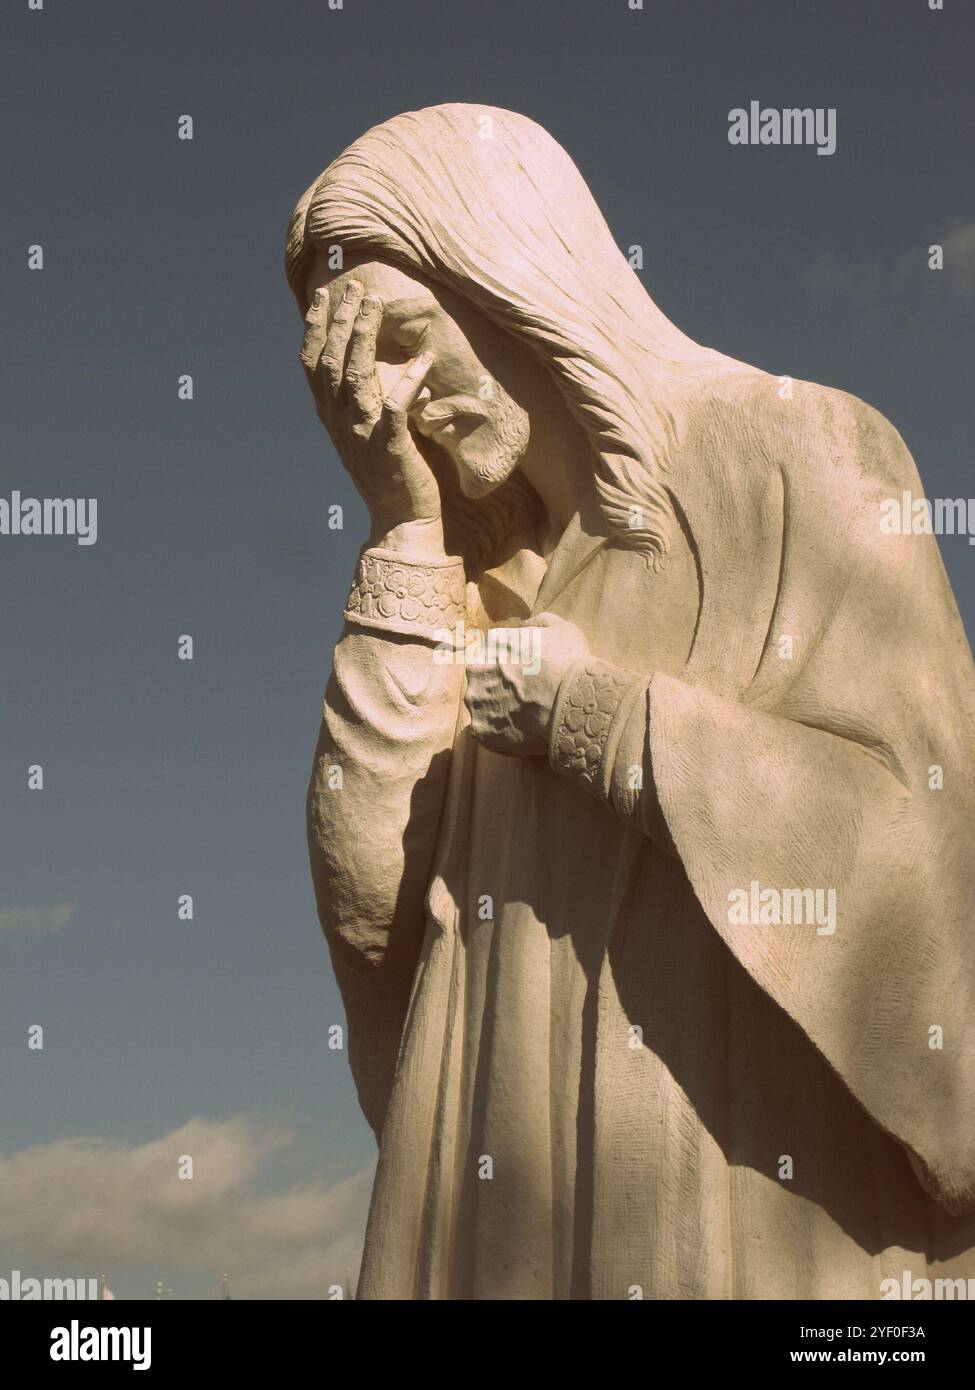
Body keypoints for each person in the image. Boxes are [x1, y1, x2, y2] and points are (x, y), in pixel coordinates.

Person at [285, 104, 975, 1299]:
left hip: (750, 1216)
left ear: (505, 272)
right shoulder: (461, 586)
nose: (387, 403)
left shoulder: (801, 452)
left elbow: (928, 865)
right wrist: (403, 532)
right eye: (348, 369)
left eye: (399, 338)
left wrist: (605, 721)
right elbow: (375, 934)